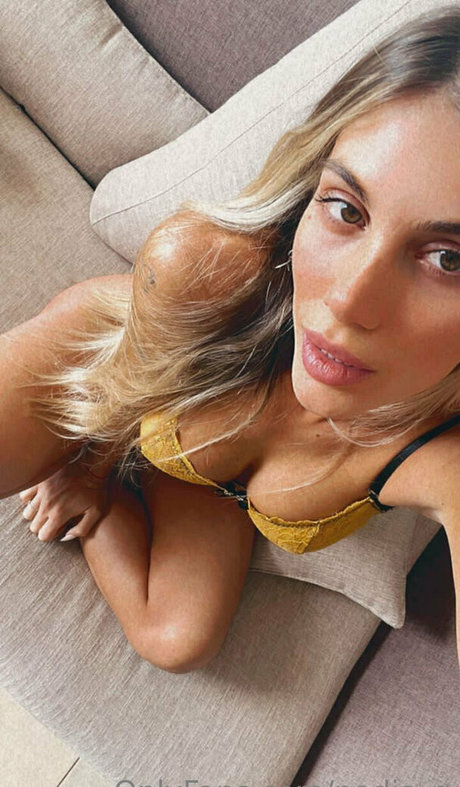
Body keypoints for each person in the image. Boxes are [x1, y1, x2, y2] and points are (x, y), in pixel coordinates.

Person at [2, 6, 460, 672]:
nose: (347, 301)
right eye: (345, 208)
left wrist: (96, 492)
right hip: (116, 359)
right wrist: (85, 463)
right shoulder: (205, 264)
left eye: (449, 259)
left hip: (201, 477)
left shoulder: (438, 453)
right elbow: (134, 380)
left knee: (177, 642)